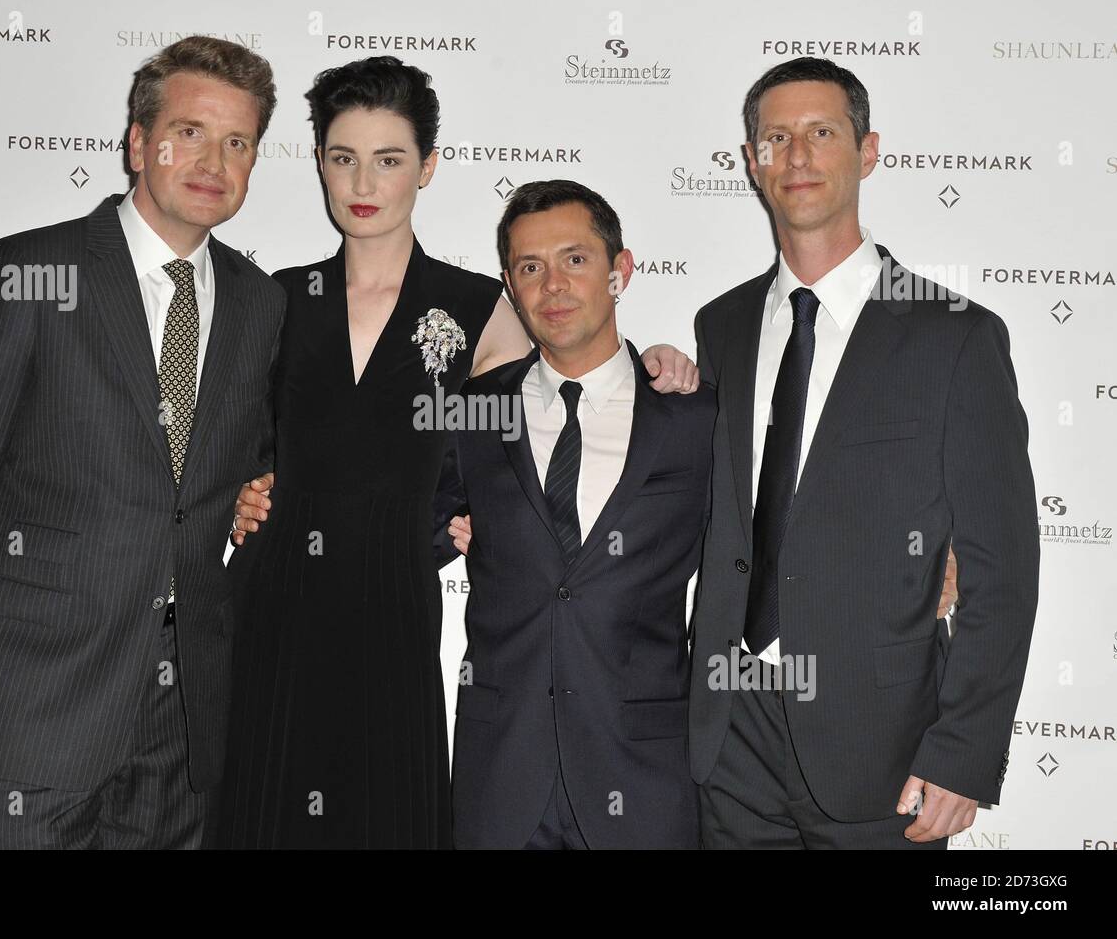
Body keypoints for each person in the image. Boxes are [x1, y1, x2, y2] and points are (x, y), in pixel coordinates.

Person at [205, 57, 698, 849]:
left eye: (389, 159)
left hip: (394, 615)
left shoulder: (482, 305)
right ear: (320, 164)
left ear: (427, 168)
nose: (363, 180)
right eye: (343, 157)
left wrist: (661, 362)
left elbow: (568, 378)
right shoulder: (277, 297)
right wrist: (233, 496)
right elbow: (220, 444)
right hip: (274, 609)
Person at [0, 36, 285, 848]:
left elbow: (246, 466)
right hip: (31, 712)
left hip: (185, 728)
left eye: (238, 142)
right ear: (138, 143)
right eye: (189, 132)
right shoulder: (29, 274)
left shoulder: (260, 304)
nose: (213, 159)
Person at [686, 56, 1038, 848]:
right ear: (751, 162)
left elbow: (1003, 570)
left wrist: (964, 754)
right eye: (776, 138)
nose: (798, 157)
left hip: (886, 755)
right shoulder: (723, 326)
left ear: (868, 151)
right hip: (730, 744)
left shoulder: (955, 335)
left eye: (822, 133)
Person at [431, 180, 717, 848]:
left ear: (620, 271)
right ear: (510, 284)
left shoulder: (696, 415)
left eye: (575, 259)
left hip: (643, 775)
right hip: (501, 779)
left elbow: (768, 548)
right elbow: (395, 532)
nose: (552, 286)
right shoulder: (472, 411)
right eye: (530, 268)